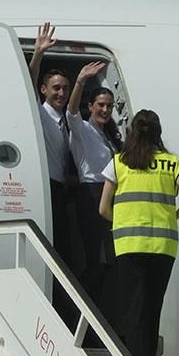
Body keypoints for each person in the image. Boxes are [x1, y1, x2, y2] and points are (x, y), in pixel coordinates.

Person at [99, 110, 179, 356]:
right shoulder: (171, 163)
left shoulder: (120, 162)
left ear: (133, 132)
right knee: (153, 307)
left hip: (129, 244)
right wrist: (173, 215)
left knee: (133, 309)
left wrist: (121, 221)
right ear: (158, 132)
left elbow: (103, 207)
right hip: (163, 246)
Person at [27, 22, 79, 326]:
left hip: (64, 190)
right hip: (48, 189)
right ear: (44, 90)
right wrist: (38, 54)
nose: (61, 93)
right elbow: (31, 79)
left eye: (65, 88)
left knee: (67, 256)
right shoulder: (40, 113)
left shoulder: (68, 120)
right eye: (56, 88)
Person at [65, 60, 122, 311]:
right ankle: (77, 309)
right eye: (100, 105)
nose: (105, 110)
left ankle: (98, 310)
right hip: (91, 194)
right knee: (97, 261)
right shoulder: (83, 130)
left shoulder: (109, 136)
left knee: (108, 262)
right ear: (91, 106)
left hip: (109, 195)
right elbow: (71, 112)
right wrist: (80, 81)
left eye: (109, 106)